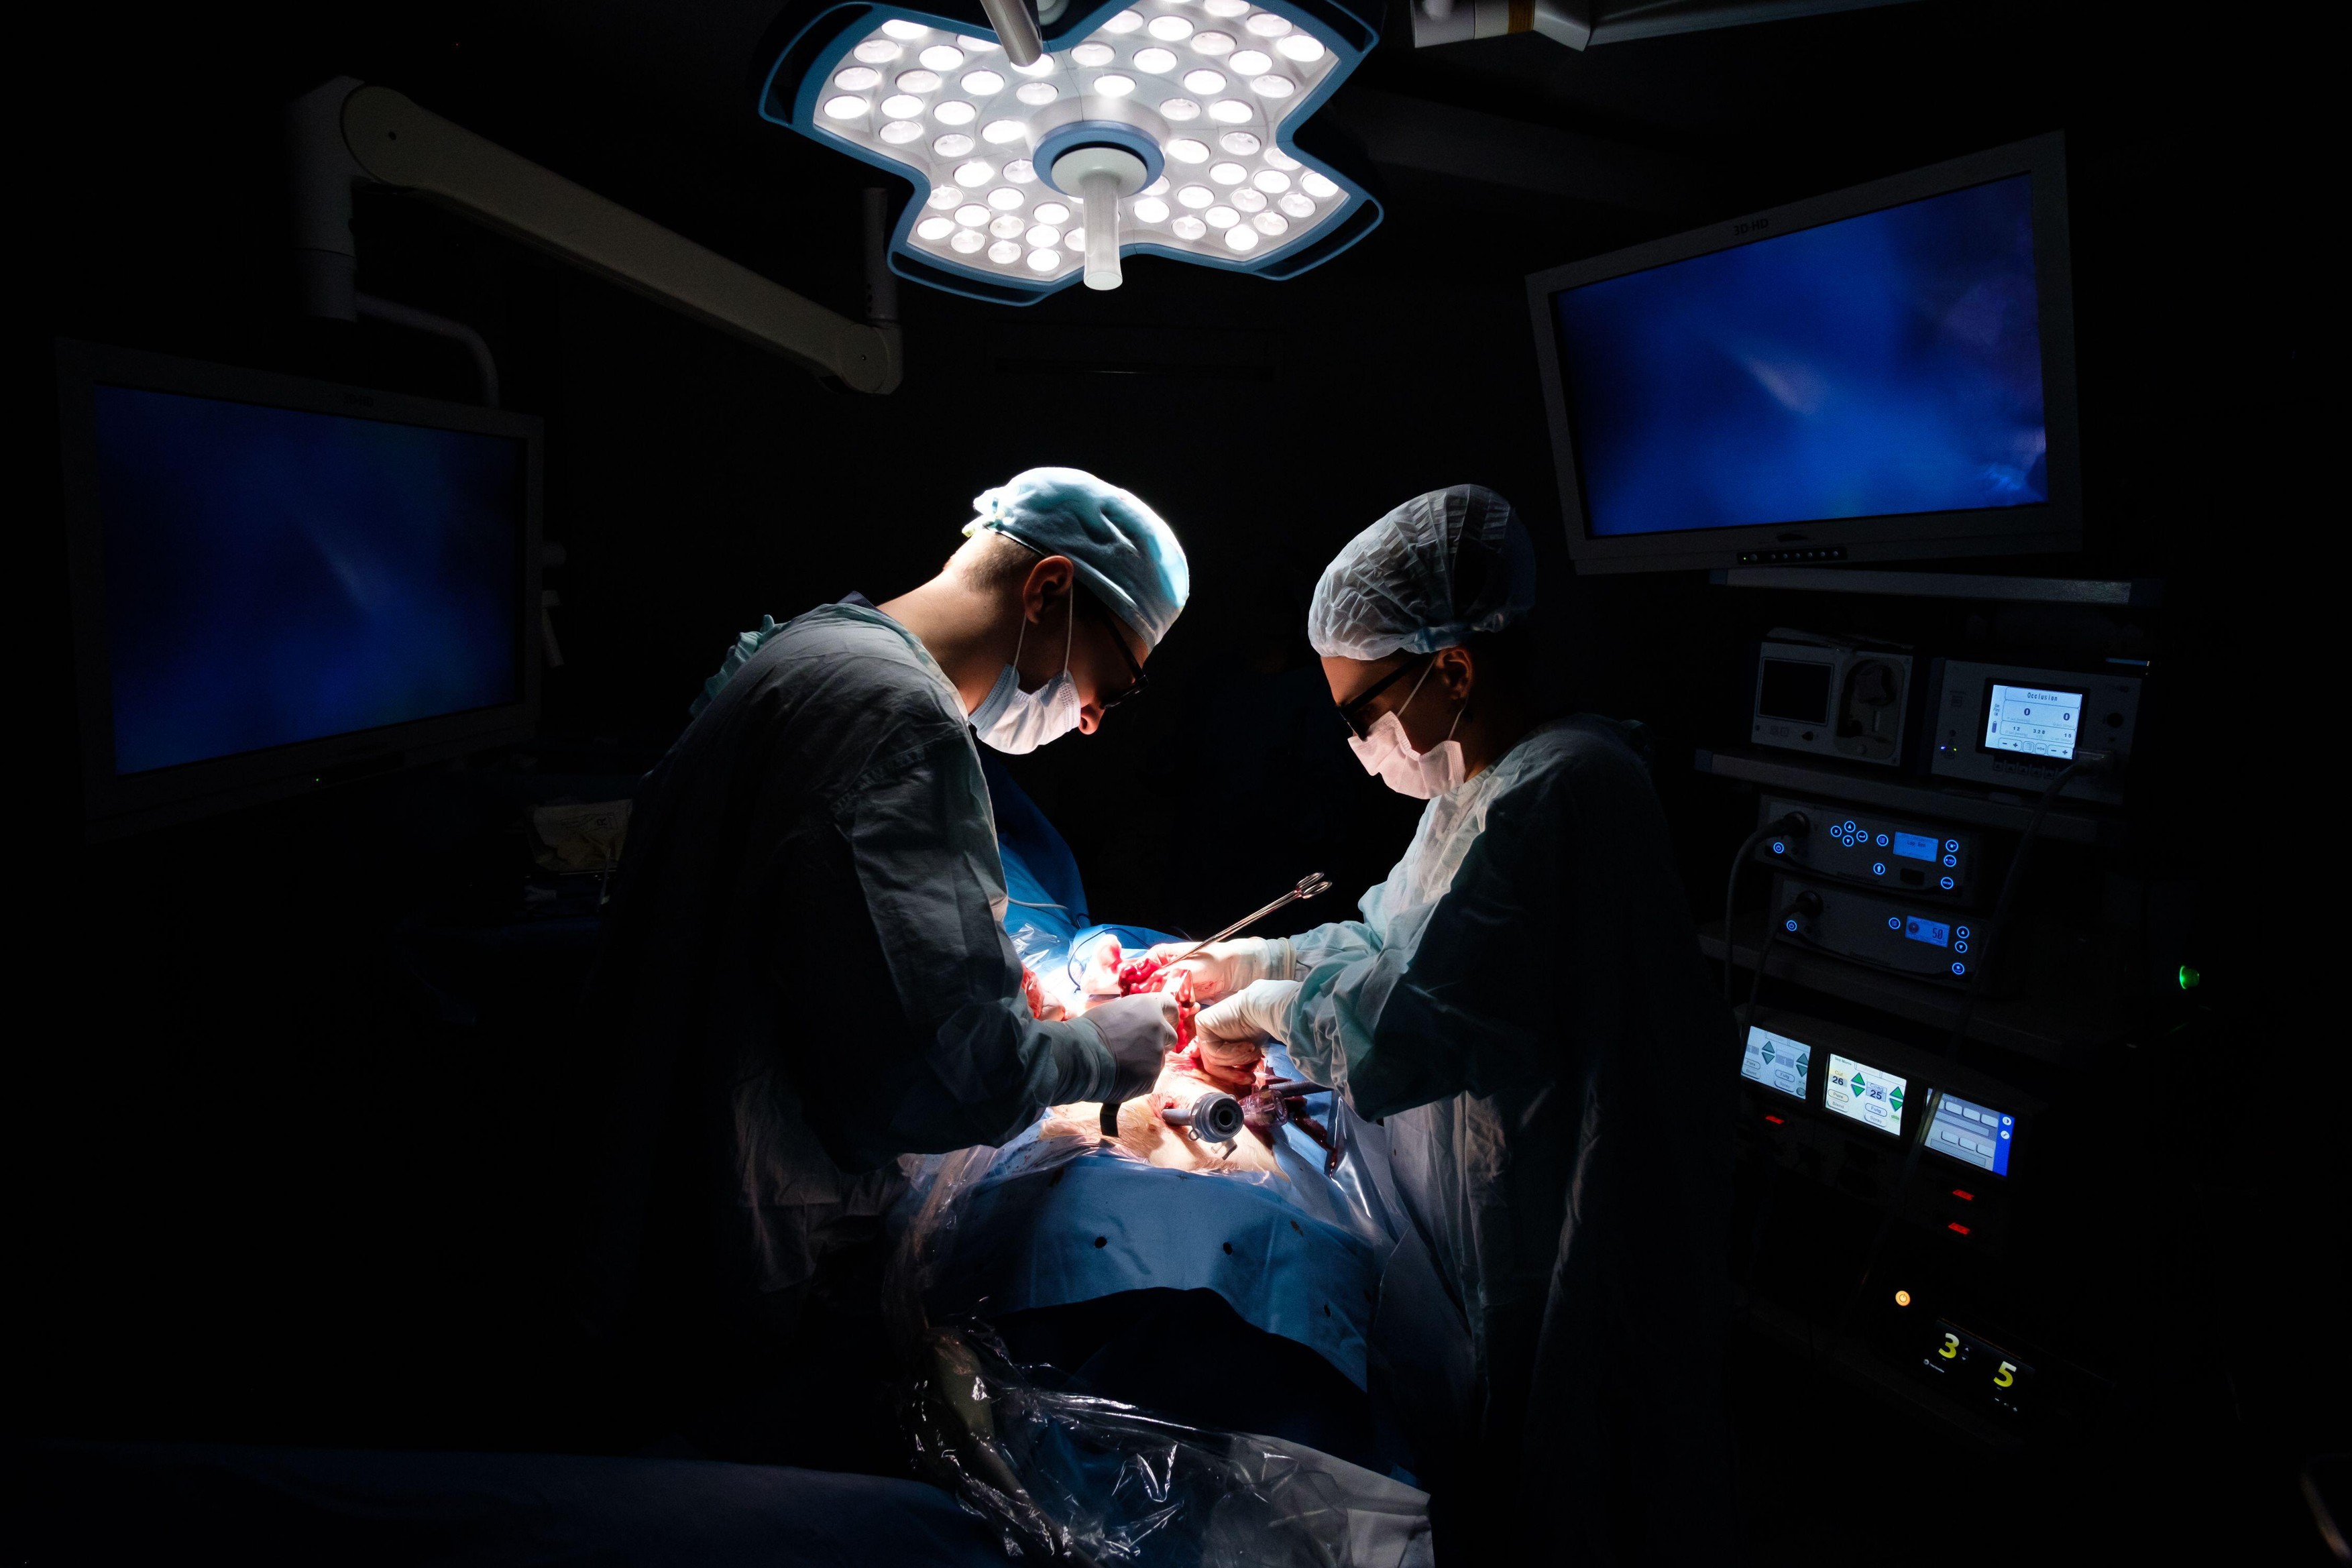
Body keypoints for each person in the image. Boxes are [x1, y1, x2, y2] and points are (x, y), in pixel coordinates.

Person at [1164, 485, 1736, 1563]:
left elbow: (1411, 1025)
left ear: (1454, 669)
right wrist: (1258, 959)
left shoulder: (1565, 791)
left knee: (1585, 1490)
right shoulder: (1476, 794)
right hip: (1497, 1212)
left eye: (1357, 711)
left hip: (1575, 1223)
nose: (1356, 740)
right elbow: (1389, 941)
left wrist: (1260, 1010)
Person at [583, 467, 1188, 1461]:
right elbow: (944, 1081)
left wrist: (993, 990)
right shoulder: (897, 722)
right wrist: (1094, 1050)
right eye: (1108, 688)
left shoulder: (804, 649)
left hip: (638, 1195)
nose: (1089, 721)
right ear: (1047, 591)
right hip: (730, 1255)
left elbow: (815, 951)